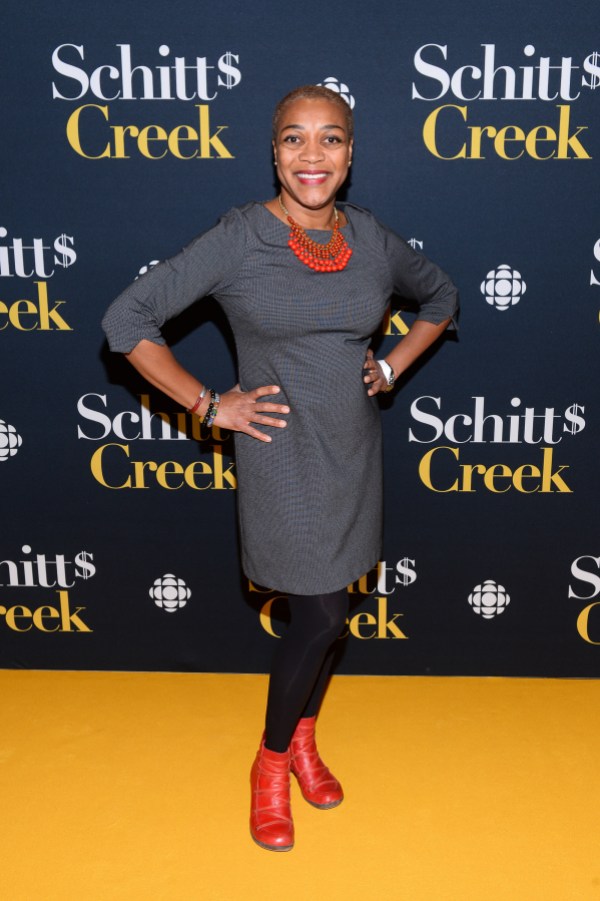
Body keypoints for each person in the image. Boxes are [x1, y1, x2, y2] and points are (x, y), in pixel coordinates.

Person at [102, 84, 458, 852]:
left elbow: (440, 295)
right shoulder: (239, 239)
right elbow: (124, 322)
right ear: (273, 151)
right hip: (282, 454)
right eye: (294, 139)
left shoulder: (369, 239)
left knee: (324, 616)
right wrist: (207, 403)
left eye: (330, 139)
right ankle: (270, 764)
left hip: (353, 449)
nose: (312, 155)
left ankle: (302, 739)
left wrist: (390, 369)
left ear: (351, 153)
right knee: (324, 613)